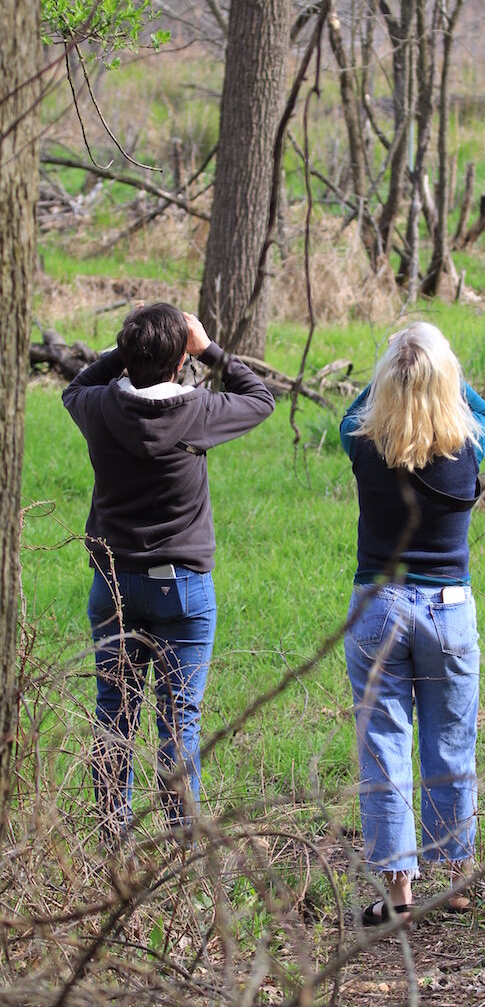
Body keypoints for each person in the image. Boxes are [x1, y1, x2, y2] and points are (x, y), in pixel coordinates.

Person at [63, 302, 275, 841]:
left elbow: (75, 386)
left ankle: (112, 845)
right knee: (178, 720)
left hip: (113, 583)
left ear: (128, 355)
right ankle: (181, 854)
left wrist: (124, 351)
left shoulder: (98, 407)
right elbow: (260, 397)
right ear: (182, 361)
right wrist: (209, 349)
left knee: (113, 713)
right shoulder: (199, 410)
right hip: (182, 587)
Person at [340, 321, 485, 923]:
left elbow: (358, 408)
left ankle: (399, 894)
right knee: (452, 741)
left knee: (385, 743)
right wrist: (441, 356)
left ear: (384, 381)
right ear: (449, 380)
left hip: (379, 606)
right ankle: (456, 880)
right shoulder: (473, 442)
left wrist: (390, 360)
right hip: (450, 611)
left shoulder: (361, 443)